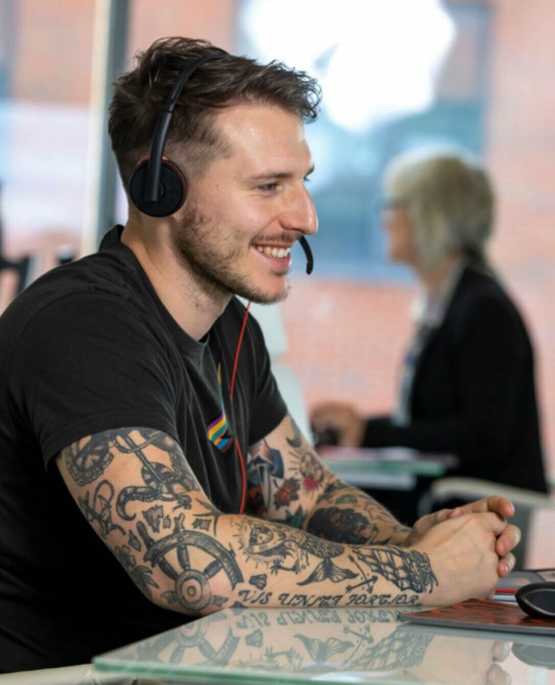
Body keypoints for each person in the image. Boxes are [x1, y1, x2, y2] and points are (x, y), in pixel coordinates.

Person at [0, 38, 519, 673]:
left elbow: (306, 496)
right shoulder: (82, 324)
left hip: (197, 666)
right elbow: (187, 563)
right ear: (161, 187)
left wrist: (420, 541)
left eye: (302, 183)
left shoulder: (229, 329)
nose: (306, 217)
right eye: (269, 186)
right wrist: (421, 572)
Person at [311, 150, 548, 498]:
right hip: (446, 498)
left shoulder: (483, 309)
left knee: (318, 499)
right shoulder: (453, 301)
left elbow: (481, 435)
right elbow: (436, 424)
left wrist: (370, 434)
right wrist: (362, 428)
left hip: (473, 510)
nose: (385, 219)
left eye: (394, 205)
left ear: (428, 217)